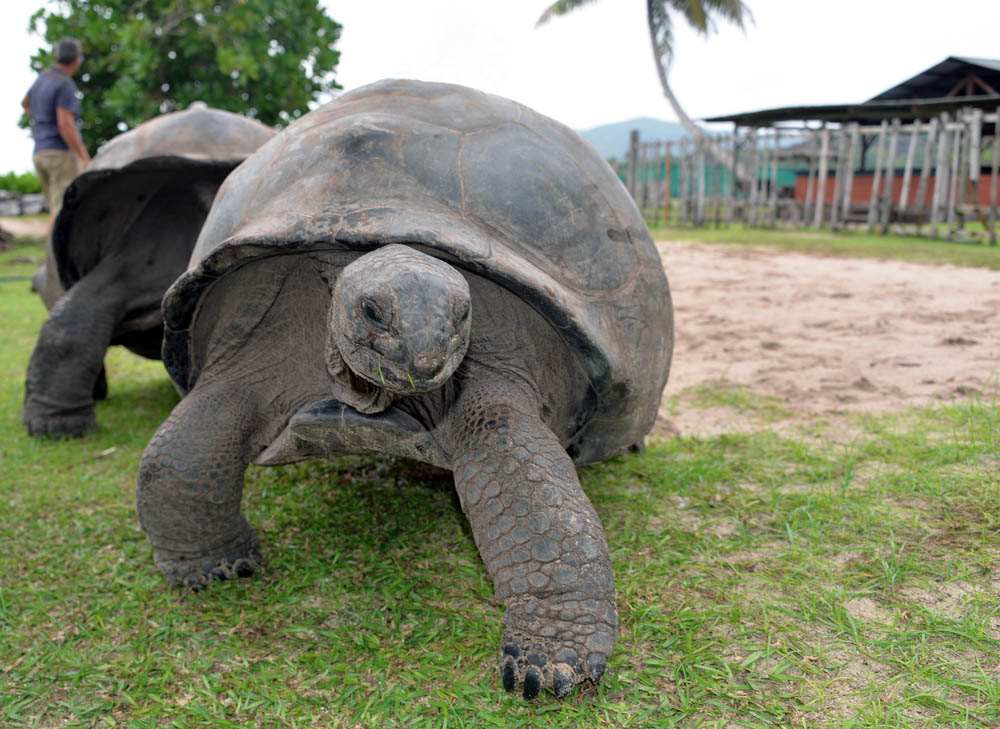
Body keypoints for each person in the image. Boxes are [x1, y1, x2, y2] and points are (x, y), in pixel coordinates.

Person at [21, 37, 91, 307]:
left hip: (40, 152)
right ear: (77, 60)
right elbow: (65, 123)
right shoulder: (63, 84)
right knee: (61, 211)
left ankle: (50, 268)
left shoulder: (42, 80)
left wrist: (40, 125)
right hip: (60, 153)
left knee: (54, 207)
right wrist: (82, 155)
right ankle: (48, 273)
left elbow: (25, 104)